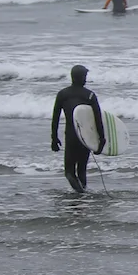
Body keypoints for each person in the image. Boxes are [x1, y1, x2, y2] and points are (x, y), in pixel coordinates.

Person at [51, 64, 103, 193]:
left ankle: (80, 194)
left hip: (71, 136)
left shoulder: (63, 94)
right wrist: (101, 139)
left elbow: (55, 117)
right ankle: (82, 195)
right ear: (79, 77)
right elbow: (98, 119)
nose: (86, 79)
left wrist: (54, 138)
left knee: (69, 172)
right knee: (81, 170)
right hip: (85, 137)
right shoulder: (89, 95)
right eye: (84, 76)